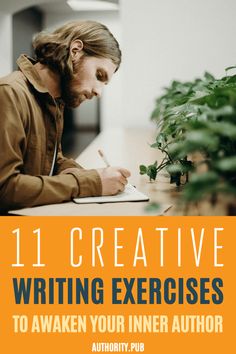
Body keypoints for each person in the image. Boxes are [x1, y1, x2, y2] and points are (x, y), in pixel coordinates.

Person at [0, 20, 130, 212]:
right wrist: (90, 183)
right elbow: (6, 189)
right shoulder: (9, 94)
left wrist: (89, 175)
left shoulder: (54, 100)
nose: (98, 92)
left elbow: (51, 160)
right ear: (75, 51)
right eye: (99, 75)